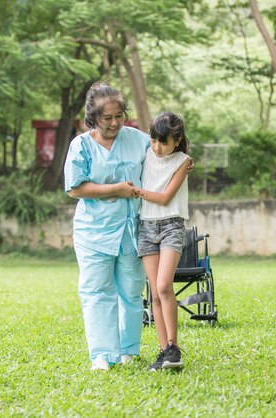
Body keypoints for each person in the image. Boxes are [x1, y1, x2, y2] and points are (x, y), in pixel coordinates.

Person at [64, 83, 149, 371]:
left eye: (119, 116)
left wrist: (184, 160)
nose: (115, 123)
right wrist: (116, 189)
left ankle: (128, 349)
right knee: (97, 290)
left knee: (132, 289)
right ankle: (102, 355)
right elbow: (74, 189)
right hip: (94, 231)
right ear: (93, 118)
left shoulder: (139, 140)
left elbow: (165, 153)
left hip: (132, 230)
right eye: (107, 118)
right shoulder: (81, 145)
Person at [135, 112, 192, 371]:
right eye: (154, 141)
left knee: (164, 285)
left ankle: (173, 346)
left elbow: (165, 197)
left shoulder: (183, 161)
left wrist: (135, 191)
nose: (157, 147)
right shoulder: (146, 153)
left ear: (177, 141)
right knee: (154, 292)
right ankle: (163, 351)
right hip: (145, 226)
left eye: (164, 142)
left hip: (171, 225)